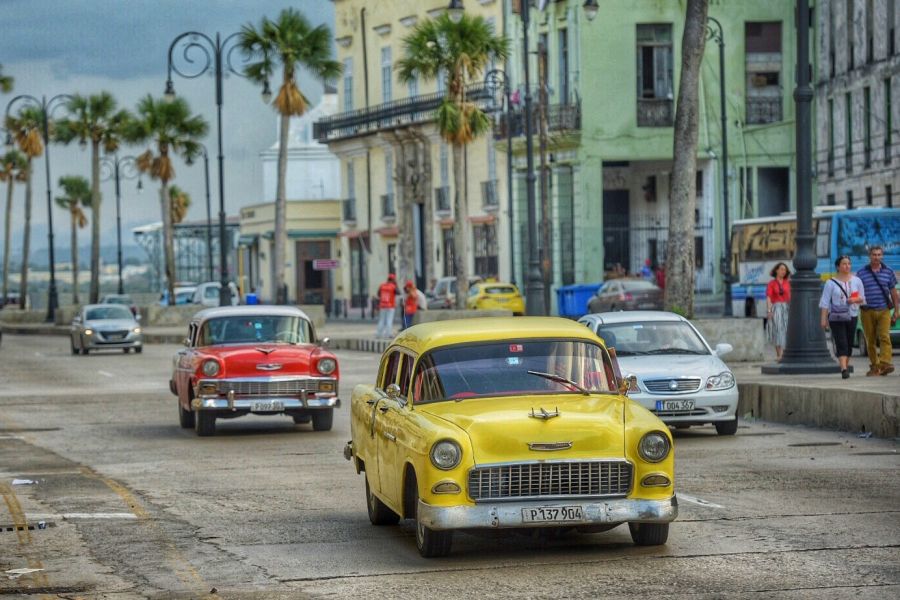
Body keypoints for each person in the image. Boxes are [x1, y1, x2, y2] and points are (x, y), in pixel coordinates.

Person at [819, 255, 866, 379]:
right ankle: (843, 369)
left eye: (849, 264)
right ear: (838, 267)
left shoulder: (857, 281)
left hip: (852, 315)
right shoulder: (830, 283)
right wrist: (823, 319)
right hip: (836, 316)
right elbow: (824, 302)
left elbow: (863, 299)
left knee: (849, 342)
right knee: (841, 341)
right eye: (844, 264)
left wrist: (854, 299)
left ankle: (845, 364)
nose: (847, 266)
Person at [856, 245, 899, 376]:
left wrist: (897, 310)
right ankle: (875, 366)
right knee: (870, 340)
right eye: (874, 255)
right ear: (869, 256)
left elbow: (893, 293)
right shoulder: (861, 273)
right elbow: (856, 292)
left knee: (885, 337)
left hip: (884, 310)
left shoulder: (889, 272)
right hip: (867, 311)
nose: (877, 257)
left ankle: (885, 363)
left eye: (879, 255)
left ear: (882, 256)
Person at [765, 262, 791, 362]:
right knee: (778, 330)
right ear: (776, 270)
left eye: (785, 270)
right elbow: (769, 298)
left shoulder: (788, 283)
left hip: (787, 308)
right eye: (781, 269)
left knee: (786, 331)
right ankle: (780, 354)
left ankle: (785, 353)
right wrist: (769, 310)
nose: (783, 271)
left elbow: (791, 297)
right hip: (777, 308)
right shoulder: (772, 284)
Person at [376, 274, 398, 339]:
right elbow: (398, 292)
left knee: (381, 320)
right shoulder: (393, 286)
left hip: (382, 305)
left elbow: (378, 294)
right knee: (389, 320)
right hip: (390, 306)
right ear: (393, 280)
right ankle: (388, 334)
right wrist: (396, 285)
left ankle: (379, 334)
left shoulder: (382, 285)